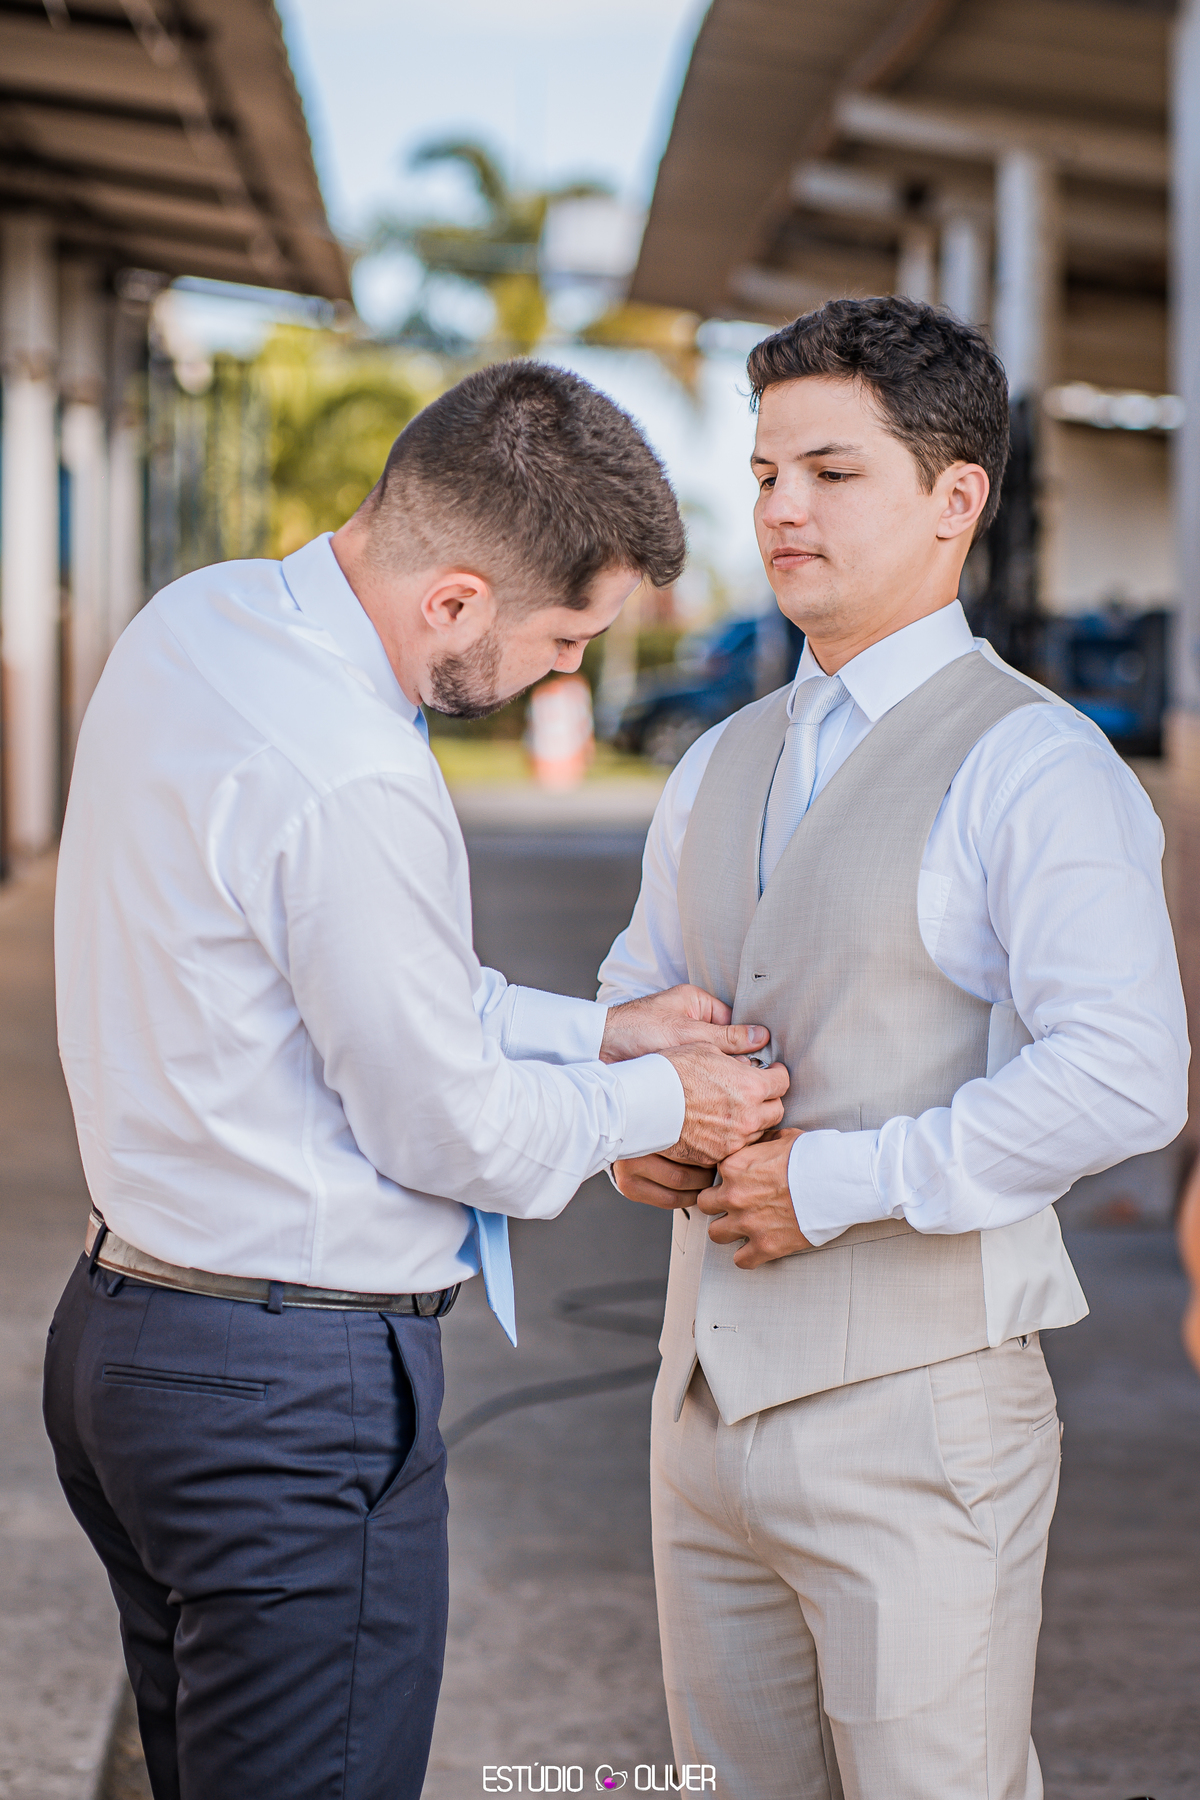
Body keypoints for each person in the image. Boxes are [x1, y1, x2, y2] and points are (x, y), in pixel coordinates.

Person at [43, 361, 788, 1800]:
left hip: (126, 1348)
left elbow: (338, 987)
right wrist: (673, 1105)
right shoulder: (356, 775)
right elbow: (457, 1131)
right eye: (565, 639)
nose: (568, 678)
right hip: (280, 1393)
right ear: (453, 601)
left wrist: (601, 1033)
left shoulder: (197, 622)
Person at [600, 298, 1189, 1800]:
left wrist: (844, 1181)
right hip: (701, 1418)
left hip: (919, 1425)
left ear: (954, 498)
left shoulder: (1035, 764)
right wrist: (640, 1116)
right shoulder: (720, 762)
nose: (782, 506)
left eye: (831, 471)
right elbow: (636, 1000)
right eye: (765, 472)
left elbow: (1128, 1071)